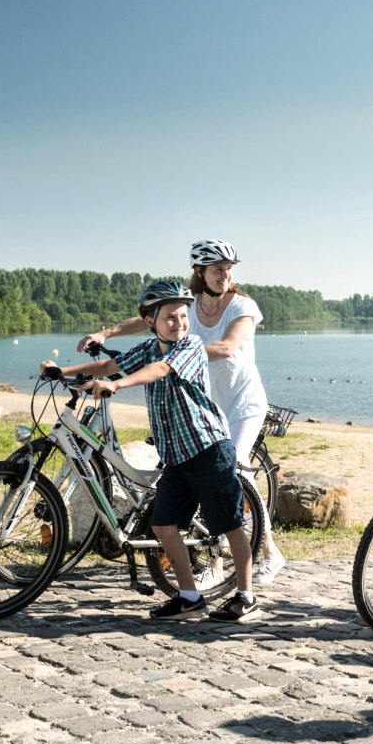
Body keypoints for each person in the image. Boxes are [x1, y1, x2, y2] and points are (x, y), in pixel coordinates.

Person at [48, 279, 259, 623]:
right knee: (162, 525)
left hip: (208, 449)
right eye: (170, 318)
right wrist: (63, 371)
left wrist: (115, 385)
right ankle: (190, 598)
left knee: (230, 523)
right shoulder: (148, 348)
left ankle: (246, 596)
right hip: (177, 456)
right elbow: (108, 366)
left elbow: (158, 371)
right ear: (151, 322)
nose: (179, 324)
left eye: (182, 316)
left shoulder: (190, 346)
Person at [83, 239, 286, 586]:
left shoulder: (243, 306)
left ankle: (254, 557)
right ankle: (238, 560)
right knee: (208, 481)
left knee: (232, 473)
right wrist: (106, 332)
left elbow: (225, 347)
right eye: (218, 269)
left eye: (229, 268)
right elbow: (153, 315)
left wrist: (173, 356)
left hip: (243, 404)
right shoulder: (188, 307)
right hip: (207, 404)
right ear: (200, 272)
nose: (226, 274)